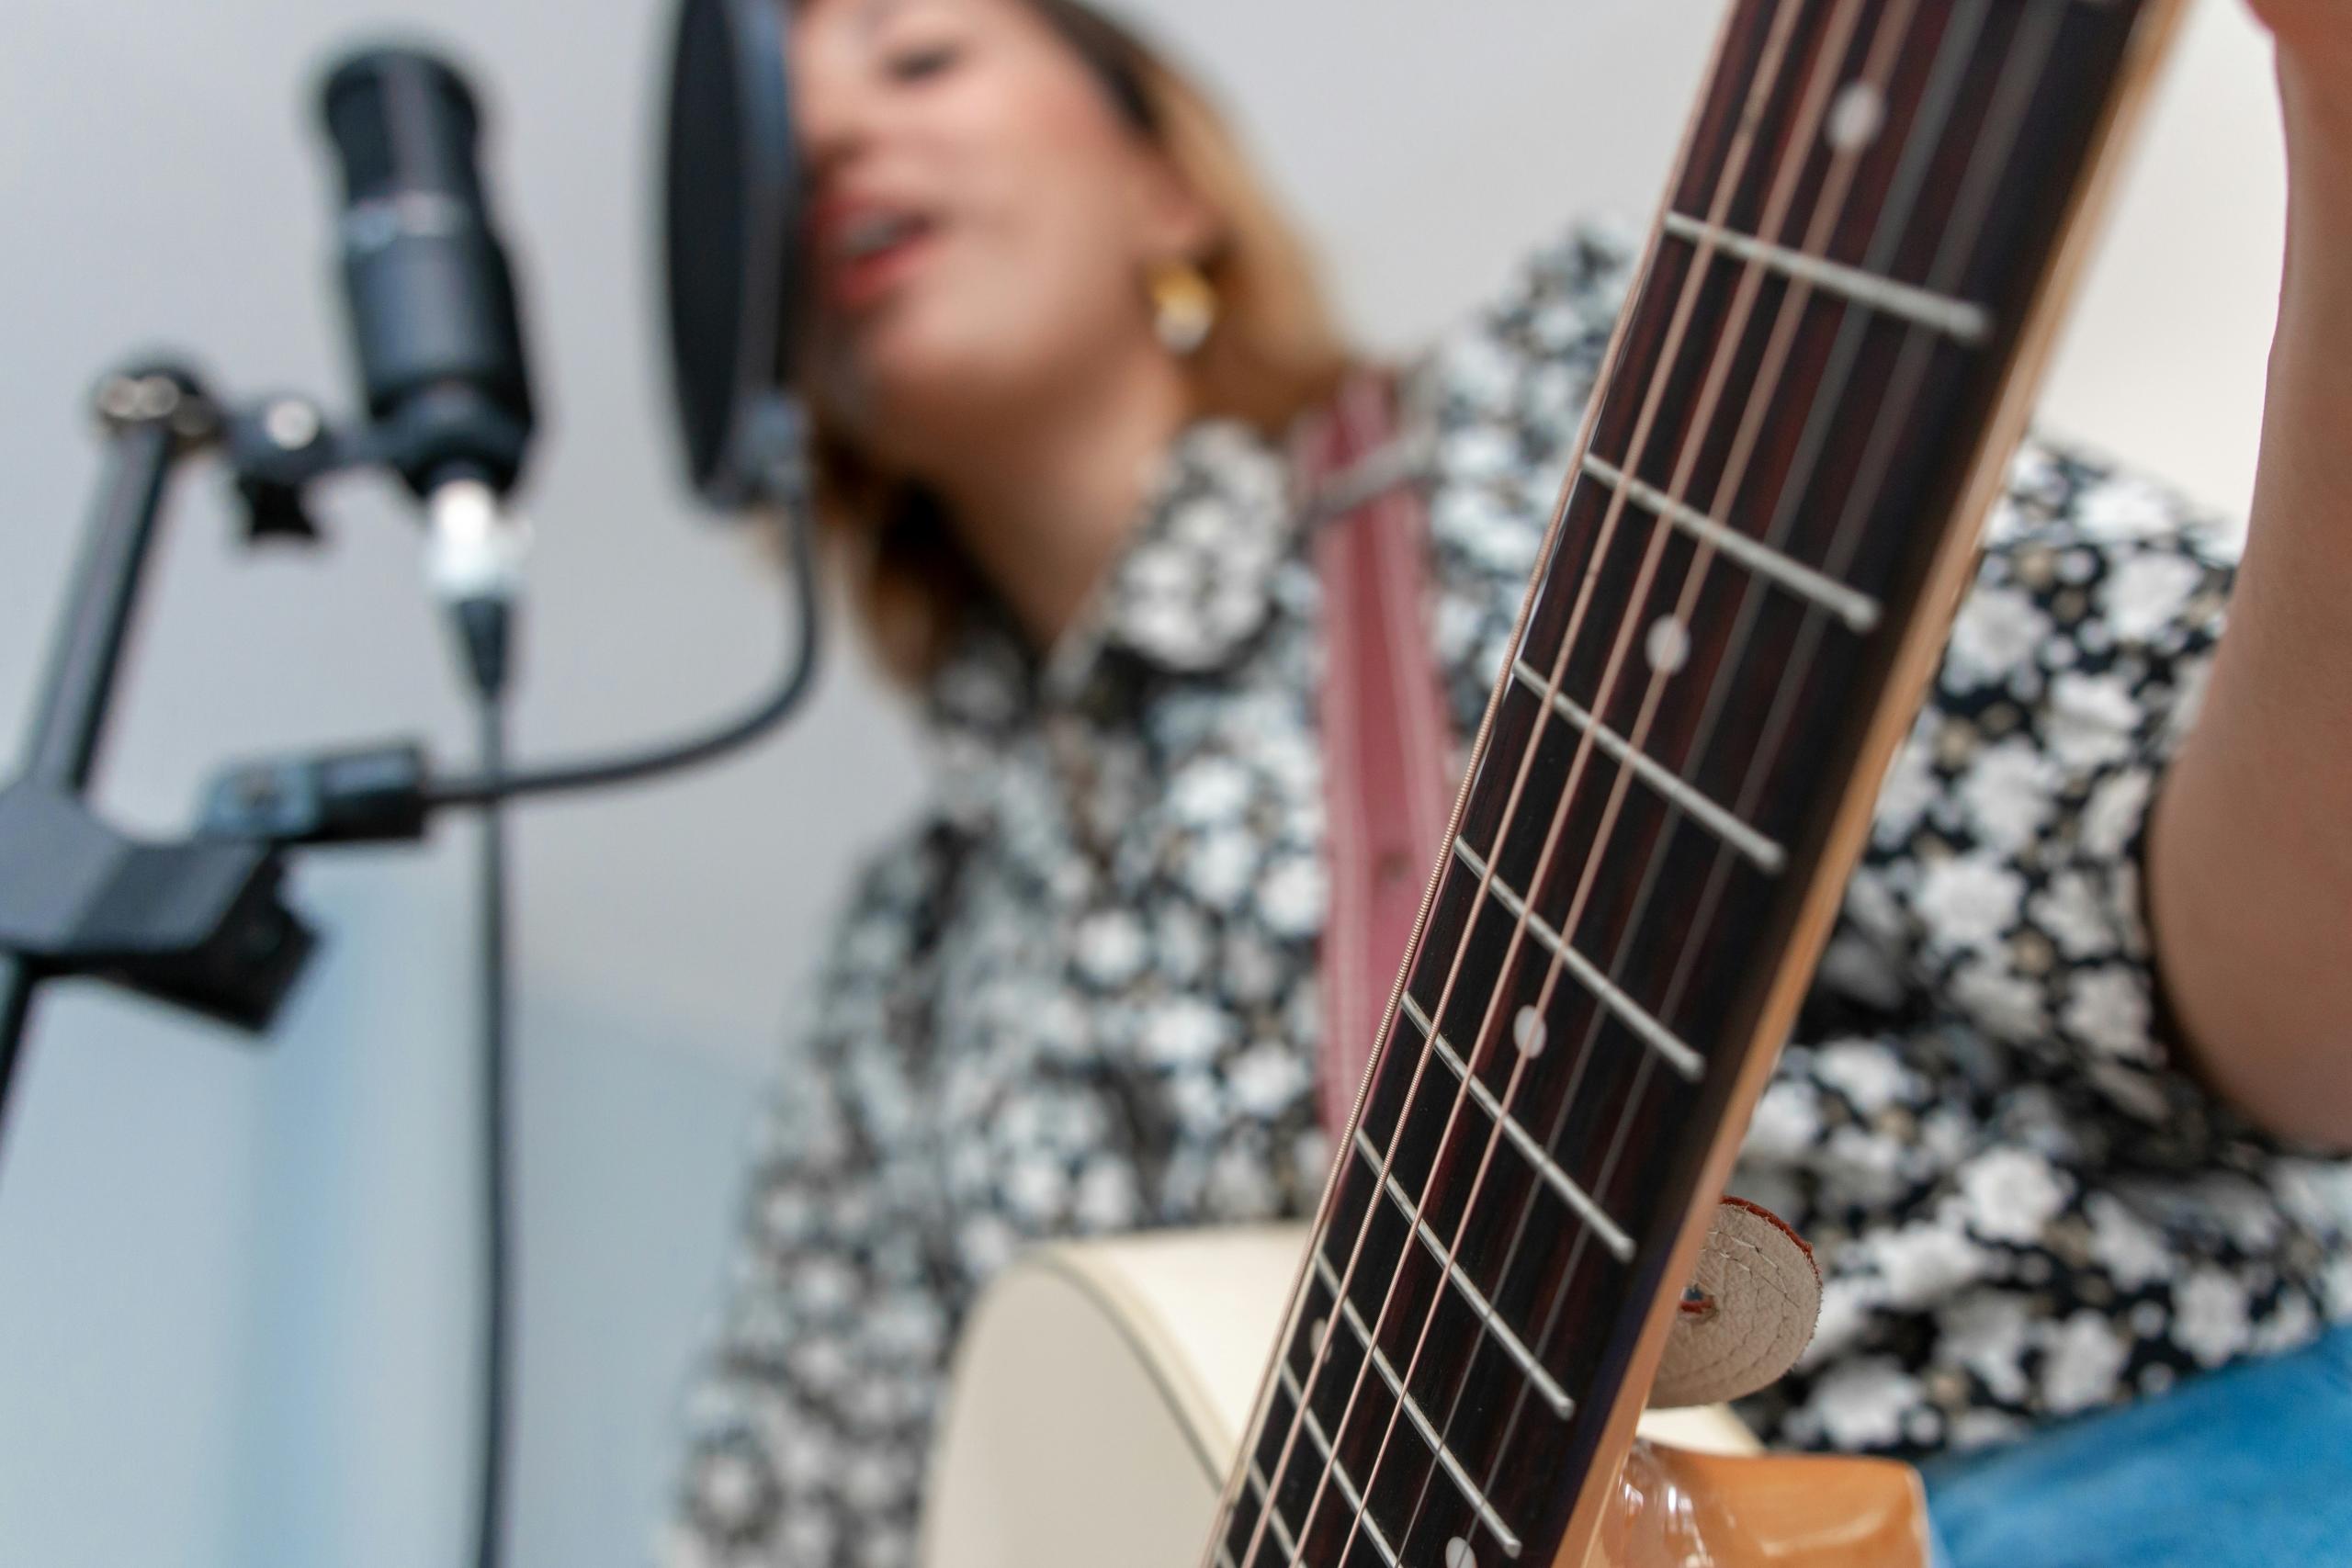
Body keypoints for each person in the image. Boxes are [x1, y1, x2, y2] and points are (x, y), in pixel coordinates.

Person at [665, 4, 2352, 1565]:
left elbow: (2304, 1007)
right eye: (773, 139)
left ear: (1170, 187)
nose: (830, 141)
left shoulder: (1569, 423)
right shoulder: (901, 967)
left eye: (917, 55)